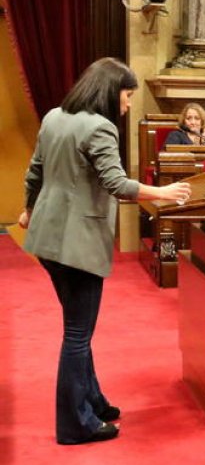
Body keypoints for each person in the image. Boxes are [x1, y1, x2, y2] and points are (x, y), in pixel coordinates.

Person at [20, 57, 192, 444]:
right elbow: (115, 183)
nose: (128, 104)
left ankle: (92, 402)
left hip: (48, 238)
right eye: (128, 95)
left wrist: (30, 209)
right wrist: (160, 192)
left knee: (78, 328)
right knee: (77, 334)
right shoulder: (100, 127)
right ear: (110, 91)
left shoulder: (53, 117)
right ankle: (74, 424)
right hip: (76, 240)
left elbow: (35, 171)